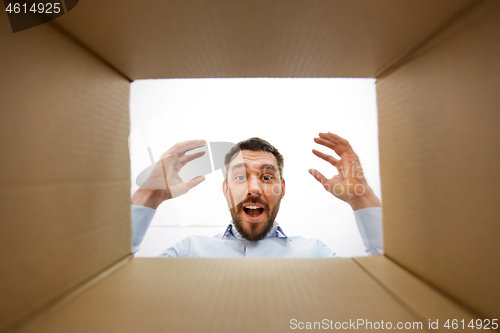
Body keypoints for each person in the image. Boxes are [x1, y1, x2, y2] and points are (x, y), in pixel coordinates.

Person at [131, 132, 382, 257]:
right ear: (225, 190)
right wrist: (148, 195)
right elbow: (110, 282)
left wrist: (361, 198)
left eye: (267, 177)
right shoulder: (189, 252)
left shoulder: (315, 253)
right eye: (240, 177)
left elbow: (390, 289)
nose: (253, 189)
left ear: (282, 188)